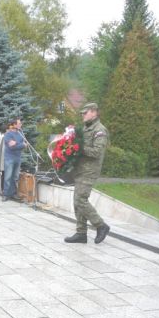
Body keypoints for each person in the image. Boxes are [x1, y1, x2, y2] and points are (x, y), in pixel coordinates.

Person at [64, 103, 110, 244]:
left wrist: (79, 147)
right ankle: (81, 233)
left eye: (85, 113)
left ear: (94, 112)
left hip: (90, 170)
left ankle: (101, 225)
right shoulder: (85, 128)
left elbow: (97, 152)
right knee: (77, 201)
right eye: (82, 113)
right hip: (80, 169)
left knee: (80, 200)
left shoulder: (100, 130)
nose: (83, 115)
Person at [2, 118, 25, 201]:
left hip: (18, 158)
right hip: (9, 158)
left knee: (15, 177)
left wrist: (17, 144)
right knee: (8, 177)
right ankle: (5, 194)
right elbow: (11, 146)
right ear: (14, 125)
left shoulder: (20, 134)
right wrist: (21, 145)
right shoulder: (8, 134)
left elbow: (22, 145)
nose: (20, 125)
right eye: (19, 123)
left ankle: (13, 194)